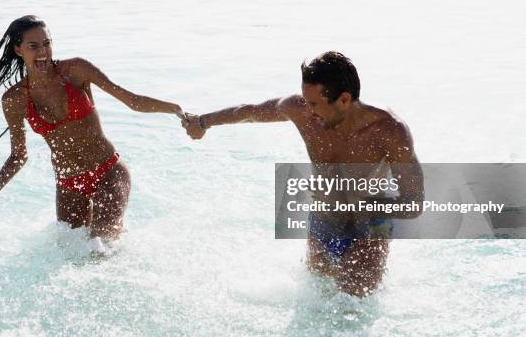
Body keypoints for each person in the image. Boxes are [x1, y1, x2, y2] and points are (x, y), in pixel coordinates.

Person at [182, 51, 424, 297]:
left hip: (368, 230)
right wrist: (203, 122)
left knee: (351, 310)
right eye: (305, 101)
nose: (307, 110)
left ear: (343, 100)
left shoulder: (390, 131)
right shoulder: (300, 109)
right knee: (316, 302)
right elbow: (252, 111)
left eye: (314, 104)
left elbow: (414, 204)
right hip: (323, 223)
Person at [0, 15, 184, 242]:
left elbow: (131, 100)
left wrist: (176, 109)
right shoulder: (15, 99)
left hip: (108, 172)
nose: (43, 52)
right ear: (18, 50)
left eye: (47, 43)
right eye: (33, 46)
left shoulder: (75, 71)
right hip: (68, 184)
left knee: (101, 249)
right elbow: (18, 155)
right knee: (71, 258)